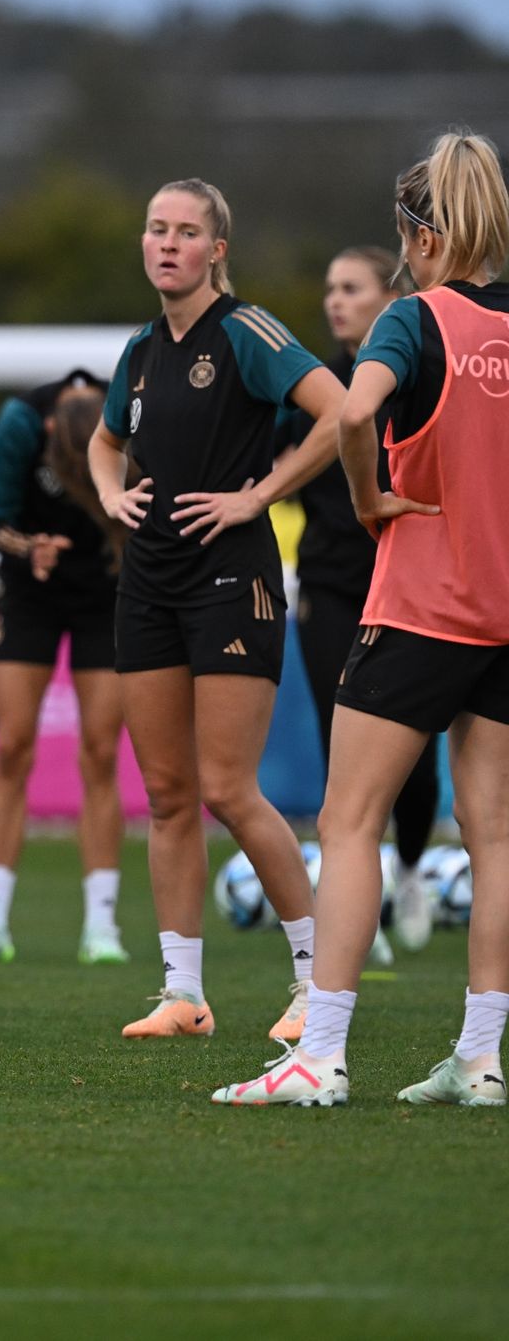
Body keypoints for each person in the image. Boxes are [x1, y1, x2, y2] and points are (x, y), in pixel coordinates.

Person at [214, 132, 509, 1107]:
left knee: (347, 822)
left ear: (417, 238)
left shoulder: (411, 320)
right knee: (493, 837)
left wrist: (371, 495)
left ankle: (321, 1055)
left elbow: (347, 414)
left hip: (422, 611)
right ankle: (479, 1058)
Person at [86, 178, 347, 1043]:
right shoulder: (138, 349)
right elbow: (103, 439)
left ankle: (317, 985)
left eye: (186, 232)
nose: (167, 243)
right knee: (167, 795)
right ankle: (183, 996)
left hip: (233, 579)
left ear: (216, 250)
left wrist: (258, 496)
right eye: (156, 228)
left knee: (232, 789)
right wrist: (109, 494)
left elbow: (340, 412)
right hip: (149, 583)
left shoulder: (247, 332)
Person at [273, 246, 440, 953]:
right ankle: (355, 908)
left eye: (351, 287)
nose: (335, 300)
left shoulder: (415, 371)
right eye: (329, 287)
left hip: (409, 588)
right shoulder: (313, 388)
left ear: (389, 294)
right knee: (344, 755)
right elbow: (270, 471)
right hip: (331, 585)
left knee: (417, 761)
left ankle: (407, 871)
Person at [0, 373, 128, 966]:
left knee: (101, 753)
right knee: (12, 746)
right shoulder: (19, 424)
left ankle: (101, 926)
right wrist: (31, 547)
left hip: (106, 594)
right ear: (50, 434)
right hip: (30, 595)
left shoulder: (129, 411)